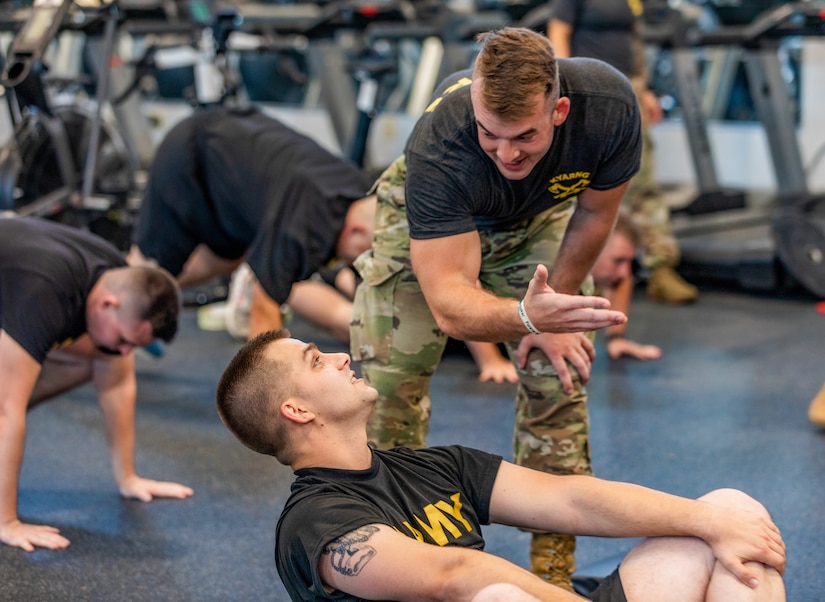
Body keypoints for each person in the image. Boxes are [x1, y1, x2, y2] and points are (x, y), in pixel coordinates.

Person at [350, 27, 632, 589]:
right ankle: (398, 570)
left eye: (523, 135)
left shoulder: (609, 110)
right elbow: (452, 307)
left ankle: (553, 577)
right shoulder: (442, 143)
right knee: (386, 394)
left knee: (559, 375)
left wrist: (551, 310)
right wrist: (528, 318)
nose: (505, 152)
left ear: (559, 111)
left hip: (535, 222)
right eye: (490, 133)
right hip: (427, 231)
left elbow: (596, 216)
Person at [216, 329, 787, 602]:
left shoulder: (435, 467)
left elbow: (571, 500)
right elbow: (451, 578)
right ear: (297, 409)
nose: (341, 355)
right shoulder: (315, 522)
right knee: (496, 599)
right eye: (317, 361)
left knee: (727, 512)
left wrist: (708, 523)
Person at [126, 105, 517, 383]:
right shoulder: (304, 226)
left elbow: (450, 280)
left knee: (229, 264)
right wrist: (285, 397)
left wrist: (489, 358)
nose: (367, 267)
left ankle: (148, 313)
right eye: (368, 258)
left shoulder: (357, 197)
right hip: (192, 155)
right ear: (359, 237)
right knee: (146, 281)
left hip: (237, 173)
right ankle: (108, 318)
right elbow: (264, 317)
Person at [0, 217, 194, 552]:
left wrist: (128, 477)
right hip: (24, 283)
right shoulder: (44, 295)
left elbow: (117, 382)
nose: (125, 351)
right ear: (108, 305)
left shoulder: (115, 273)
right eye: (123, 339)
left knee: (97, 358)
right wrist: (7, 522)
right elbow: (6, 411)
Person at [547, 0, 699, 305]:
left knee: (642, 179)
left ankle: (660, 267)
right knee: (586, 185)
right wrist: (566, 87)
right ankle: (589, 274)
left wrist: (645, 89)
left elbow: (634, 40)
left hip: (630, 86)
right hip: (590, 87)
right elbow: (558, 34)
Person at [585, 211, 661, 361]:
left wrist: (616, 337)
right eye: (618, 261)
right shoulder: (548, 268)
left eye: (628, 262)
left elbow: (622, 280)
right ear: (592, 247)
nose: (625, 272)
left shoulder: (617, 272)